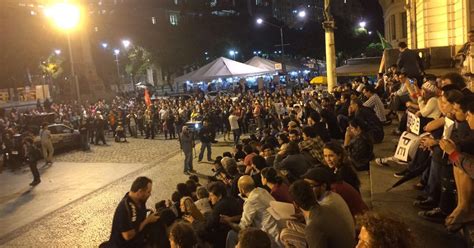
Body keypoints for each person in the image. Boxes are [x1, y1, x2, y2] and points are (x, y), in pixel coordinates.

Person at [282, 180, 355, 248]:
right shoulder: (327, 207)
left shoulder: (313, 227)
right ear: (313, 194)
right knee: (290, 224)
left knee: (284, 234)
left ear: (295, 204)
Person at [222, 176, 282, 248]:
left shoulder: (250, 202)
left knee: (232, 234)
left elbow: (242, 227)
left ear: (242, 190)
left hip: (271, 236)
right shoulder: (262, 190)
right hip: (280, 227)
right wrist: (231, 219)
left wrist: (228, 222)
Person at [107, 177, 160, 248]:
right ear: (140, 192)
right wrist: (147, 221)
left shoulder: (139, 200)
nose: (150, 194)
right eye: (148, 192)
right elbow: (127, 235)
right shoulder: (124, 208)